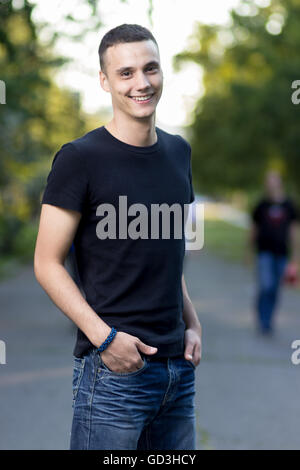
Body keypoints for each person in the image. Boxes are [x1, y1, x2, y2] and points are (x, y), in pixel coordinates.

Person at [34, 24, 202, 450]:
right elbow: (46, 262)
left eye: (151, 69)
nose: (141, 83)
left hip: (176, 375)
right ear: (105, 81)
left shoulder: (178, 153)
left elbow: (166, 253)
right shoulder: (80, 159)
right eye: (125, 73)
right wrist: (105, 339)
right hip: (114, 375)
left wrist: (192, 322)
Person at [249, 170, 299, 335]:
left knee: (275, 288)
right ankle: (262, 319)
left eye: (273, 181)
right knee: (266, 285)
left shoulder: (289, 206)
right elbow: (254, 229)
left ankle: (269, 320)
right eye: (268, 181)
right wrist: (248, 251)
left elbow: (293, 231)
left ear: (279, 183)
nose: (270, 185)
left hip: (282, 253)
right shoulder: (261, 205)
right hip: (264, 252)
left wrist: (295, 256)